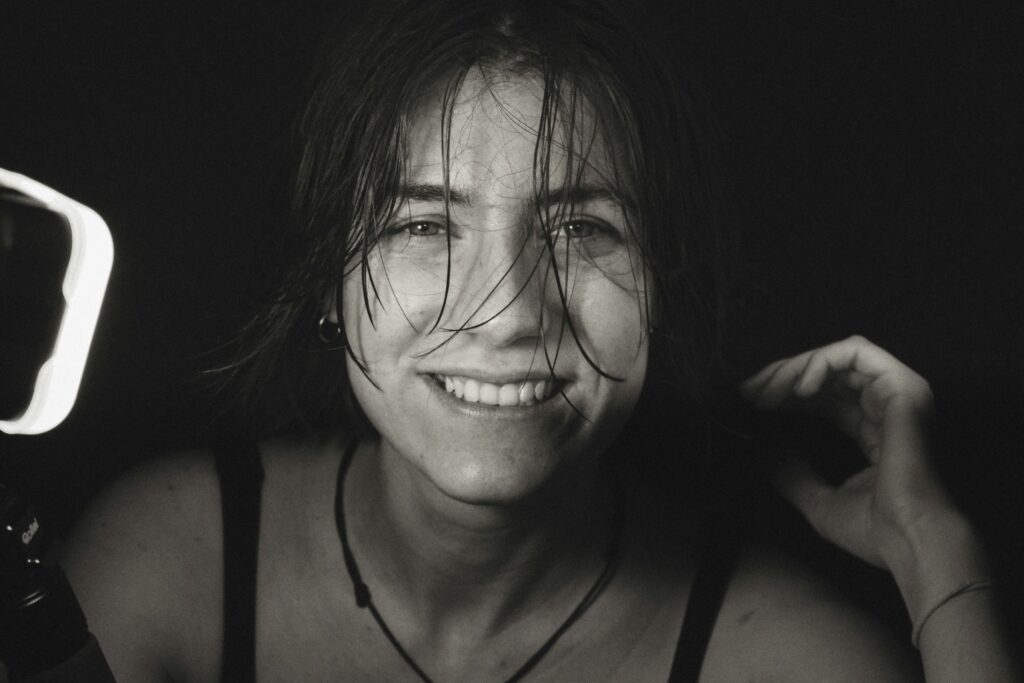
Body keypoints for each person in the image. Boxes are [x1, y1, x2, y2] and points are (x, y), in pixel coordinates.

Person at [27, 0, 1018, 681]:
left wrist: (939, 557)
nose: (505, 314)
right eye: (421, 224)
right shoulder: (168, 560)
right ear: (326, 282)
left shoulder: (784, 654)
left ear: (662, 282)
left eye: (583, 229)